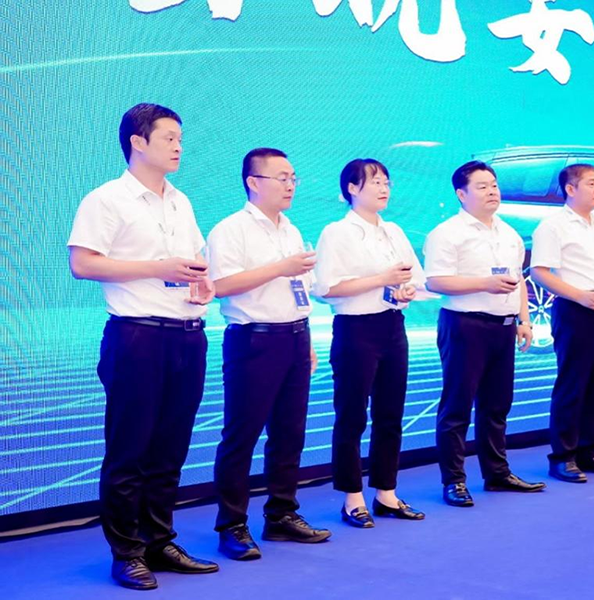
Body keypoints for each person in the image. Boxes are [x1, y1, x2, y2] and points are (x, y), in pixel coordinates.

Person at [68, 103, 219, 590]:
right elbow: (83, 264)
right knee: (129, 450)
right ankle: (126, 552)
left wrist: (202, 284)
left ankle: (159, 541)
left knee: (170, 449)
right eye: (169, 137)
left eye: (180, 138)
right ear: (138, 141)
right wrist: (158, 268)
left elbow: (192, 260)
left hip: (187, 336)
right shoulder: (106, 199)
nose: (178, 146)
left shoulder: (181, 201)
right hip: (137, 336)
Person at [207, 148, 330, 561]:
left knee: (289, 432)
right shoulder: (231, 230)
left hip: (295, 335)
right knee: (241, 435)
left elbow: (298, 290)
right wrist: (280, 267)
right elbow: (221, 285)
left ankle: (281, 514)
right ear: (253, 182)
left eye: (293, 177)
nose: (291, 185)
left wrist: (306, 339)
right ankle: (232, 525)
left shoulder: (290, 230)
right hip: (253, 340)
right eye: (281, 177)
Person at [424, 161, 546, 507]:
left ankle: (497, 473)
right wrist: (484, 283)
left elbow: (517, 281)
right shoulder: (447, 233)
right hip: (465, 326)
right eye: (482, 186)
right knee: (457, 407)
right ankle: (454, 481)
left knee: (497, 405)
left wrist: (524, 320)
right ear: (461, 194)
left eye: (494, 185)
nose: (492, 191)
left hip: (503, 327)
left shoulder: (508, 233)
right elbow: (435, 281)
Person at [313, 158, 427, 528]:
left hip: (393, 326)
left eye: (386, 182)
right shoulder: (337, 232)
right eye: (374, 181)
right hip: (355, 329)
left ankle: (386, 493)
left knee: (390, 414)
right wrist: (382, 278)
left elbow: (415, 277)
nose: (383, 188)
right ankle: (352, 498)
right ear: (352, 188)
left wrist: (407, 289)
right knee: (352, 415)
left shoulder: (393, 230)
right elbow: (327, 288)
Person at [530, 163, 594, 483]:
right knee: (573, 382)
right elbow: (539, 272)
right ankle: (563, 456)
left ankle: (589, 449)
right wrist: (579, 296)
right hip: (577, 309)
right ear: (570, 189)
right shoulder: (553, 226)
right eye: (591, 183)